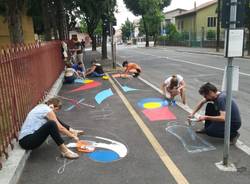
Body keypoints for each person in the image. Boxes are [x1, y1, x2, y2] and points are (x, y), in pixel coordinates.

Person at [19, 98, 84, 159]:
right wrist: (73, 136)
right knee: (51, 123)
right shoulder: (47, 110)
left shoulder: (42, 107)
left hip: (28, 139)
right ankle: (64, 150)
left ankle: (72, 130)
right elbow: (60, 128)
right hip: (27, 141)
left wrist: (71, 133)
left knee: (53, 119)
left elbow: (57, 122)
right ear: (52, 106)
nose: (56, 112)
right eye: (56, 110)